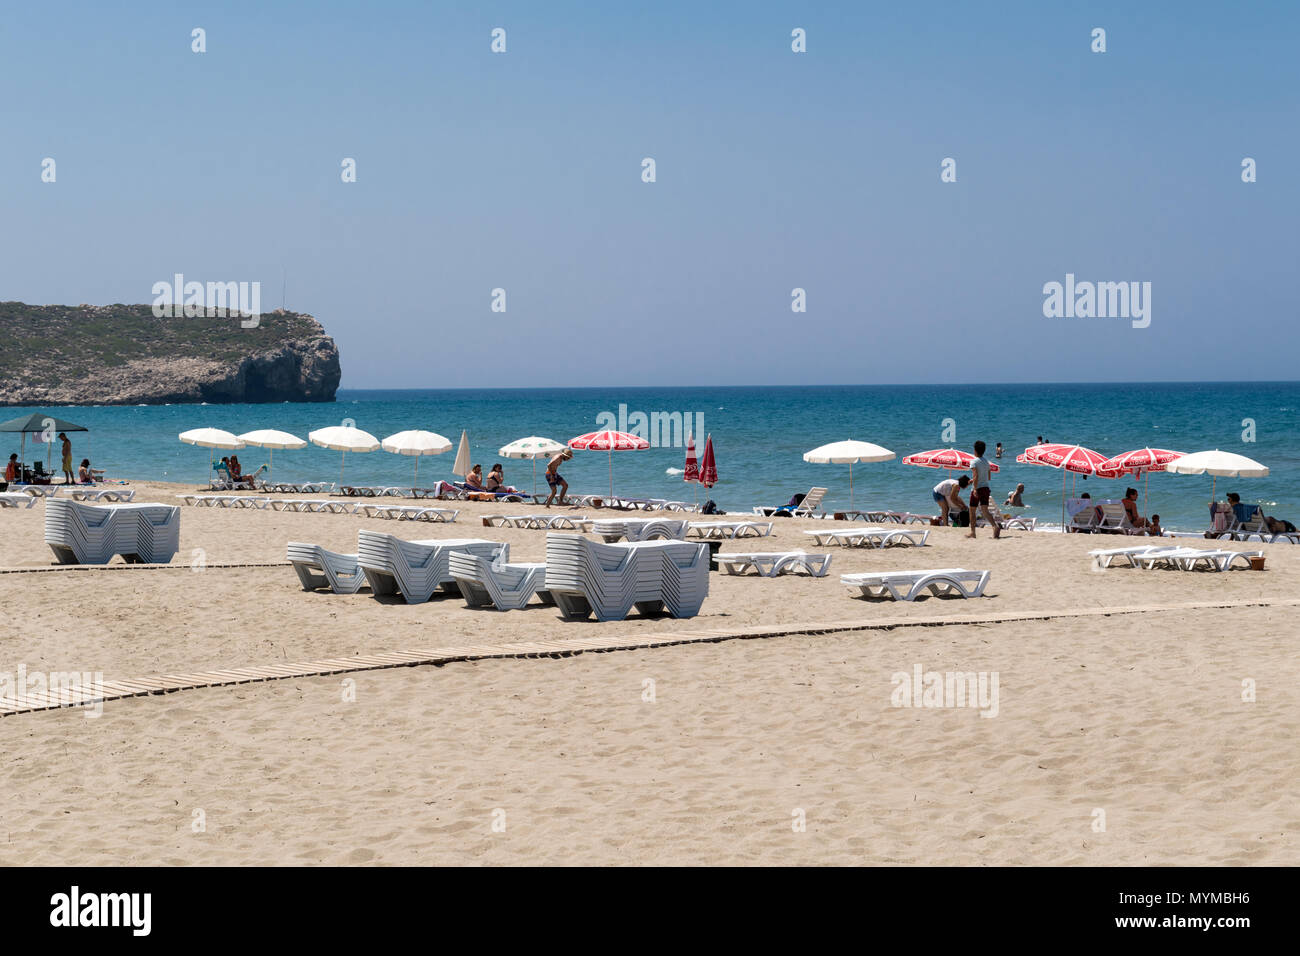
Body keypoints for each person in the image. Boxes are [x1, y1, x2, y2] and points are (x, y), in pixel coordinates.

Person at [966, 440, 1000, 539]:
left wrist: (975, 488)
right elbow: (988, 477)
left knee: (972, 511)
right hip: (986, 488)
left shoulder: (973, 461)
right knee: (985, 510)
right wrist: (973, 480)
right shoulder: (986, 462)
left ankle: (973, 532)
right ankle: (995, 526)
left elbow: (976, 475)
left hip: (978, 488)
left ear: (975, 450)